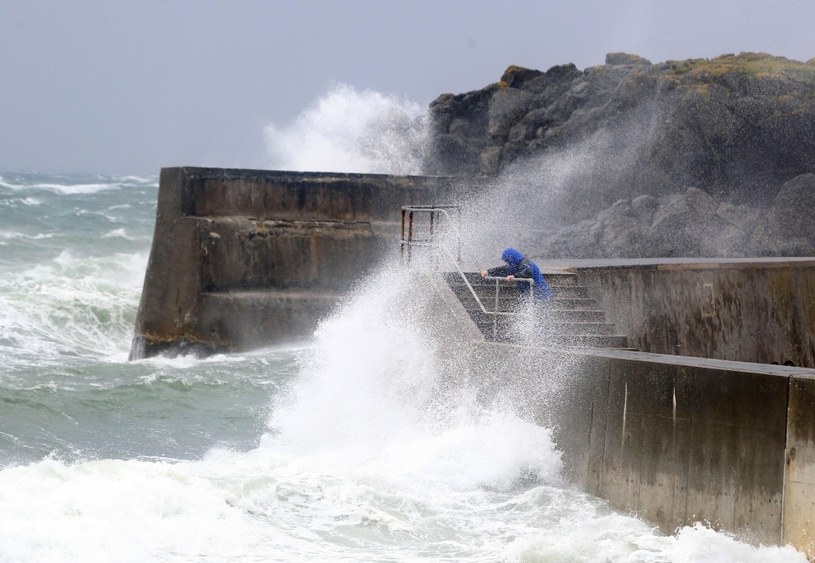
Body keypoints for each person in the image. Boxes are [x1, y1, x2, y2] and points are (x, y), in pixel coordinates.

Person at [480, 247, 553, 301]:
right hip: (531, 294)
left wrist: (515, 276)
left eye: (508, 260)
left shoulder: (525, 263)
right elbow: (502, 269)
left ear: (512, 258)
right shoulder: (515, 264)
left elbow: (528, 272)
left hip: (540, 293)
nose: (507, 263)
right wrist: (488, 271)